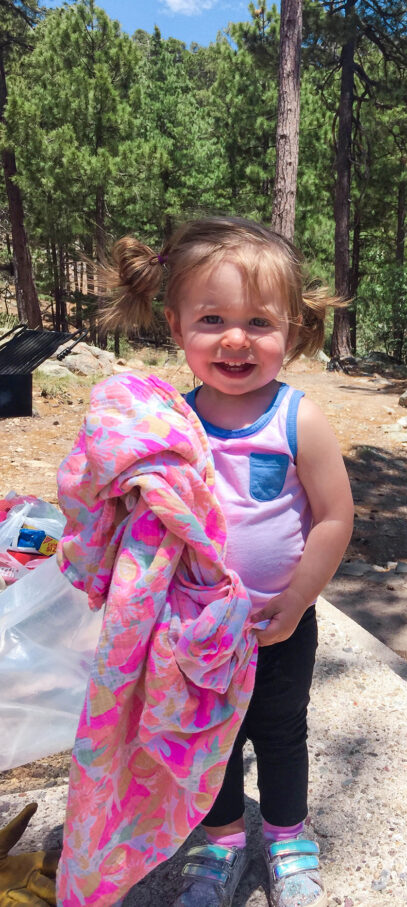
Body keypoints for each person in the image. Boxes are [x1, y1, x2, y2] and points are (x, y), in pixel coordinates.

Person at [101, 216, 354, 907]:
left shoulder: (299, 419)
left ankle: (288, 836)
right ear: (177, 327)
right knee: (209, 738)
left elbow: (335, 516)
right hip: (193, 630)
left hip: (279, 620)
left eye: (259, 322)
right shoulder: (171, 426)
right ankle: (221, 843)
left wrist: (300, 597)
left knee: (280, 731)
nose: (236, 339)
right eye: (212, 318)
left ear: (294, 332)